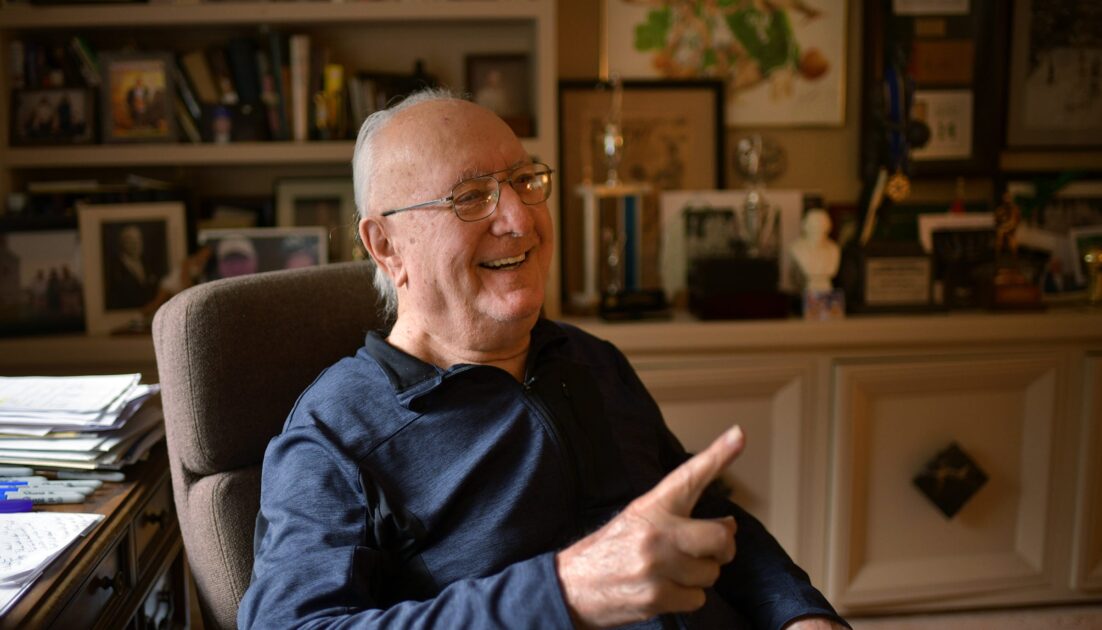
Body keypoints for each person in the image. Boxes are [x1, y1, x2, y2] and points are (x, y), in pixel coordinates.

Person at [238, 90, 848, 629]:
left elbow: (701, 516)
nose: (520, 218)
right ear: (386, 245)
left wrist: (801, 612)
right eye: (472, 197)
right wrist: (565, 594)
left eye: (526, 181)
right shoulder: (334, 435)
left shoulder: (590, 360)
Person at [105, 223, 162, 310]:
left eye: (138, 239)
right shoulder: (114, 269)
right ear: (122, 243)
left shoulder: (148, 265)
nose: (136, 244)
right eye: (130, 240)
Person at [788, 209, 840, 293]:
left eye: (822, 226)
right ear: (805, 226)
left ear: (828, 227)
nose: (818, 229)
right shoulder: (797, 248)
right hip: (808, 288)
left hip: (827, 289)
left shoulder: (834, 249)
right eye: (814, 226)